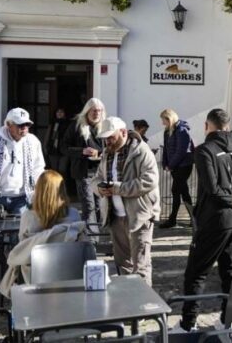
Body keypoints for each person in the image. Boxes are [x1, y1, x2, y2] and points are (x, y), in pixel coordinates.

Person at [176, 109, 232, 333]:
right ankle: (227, 321)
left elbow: (211, 187)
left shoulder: (204, 150)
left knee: (196, 273)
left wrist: (231, 200)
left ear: (208, 126)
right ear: (227, 127)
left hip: (215, 220)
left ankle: (187, 324)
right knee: (230, 272)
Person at [91, 117, 160, 285]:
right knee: (123, 264)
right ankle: (128, 302)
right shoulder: (107, 152)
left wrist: (117, 188)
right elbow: (96, 178)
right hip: (115, 216)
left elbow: (149, 181)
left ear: (123, 132)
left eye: (111, 137)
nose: (107, 141)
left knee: (141, 266)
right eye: (105, 138)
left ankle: (144, 307)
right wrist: (99, 188)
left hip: (140, 215)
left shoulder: (142, 150)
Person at [0, 107, 46, 215]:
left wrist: (38, 192)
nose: (24, 128)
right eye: (20, 125)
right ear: (9, 125)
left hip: (23, 199)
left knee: (20, 231)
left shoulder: (33, 142)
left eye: (27, 124)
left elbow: (38, 169)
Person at [61, 98, 105, 229]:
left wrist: (103, 153)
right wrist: (82, 151)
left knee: (99, 205)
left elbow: (111, 146)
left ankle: (98, 235)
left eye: (99, 110)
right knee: (88, 205)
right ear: (87, 111)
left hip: (100, 171)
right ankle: (91, 238)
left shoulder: (104, 126)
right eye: (94, 110)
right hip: (82, 171)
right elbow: (63, 147)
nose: (97, 113)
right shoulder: (77, 125)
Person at [19, 170, 80, 241]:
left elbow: (22, 243)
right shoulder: (74, 214)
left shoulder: (27, 216)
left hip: (37, 251)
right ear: (62, 190)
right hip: (67, 252)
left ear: (38, 190)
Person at [159, 109, 195, 229]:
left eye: (164, 120)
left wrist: (171, 165)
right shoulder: (168, 131)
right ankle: (194, 219)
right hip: (176, 166)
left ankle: (173, 219)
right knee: (183, 192)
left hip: (184, 166)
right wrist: (165, 163)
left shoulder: (181, 130)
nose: (162, 123)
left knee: (176, 191)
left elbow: (182, 151)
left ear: (169, 119)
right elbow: (166, 149)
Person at [43, 108, 68, 172]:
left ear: (64, 114)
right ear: (55, 113)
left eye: (61, 112)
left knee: (62, 170)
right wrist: (45, 147)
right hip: (53, 149)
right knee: (54, 170)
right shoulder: (52, 123)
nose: (59, 113)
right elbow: (48, 136)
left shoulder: (68, 124)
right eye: (58, 112)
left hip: (64, 150)